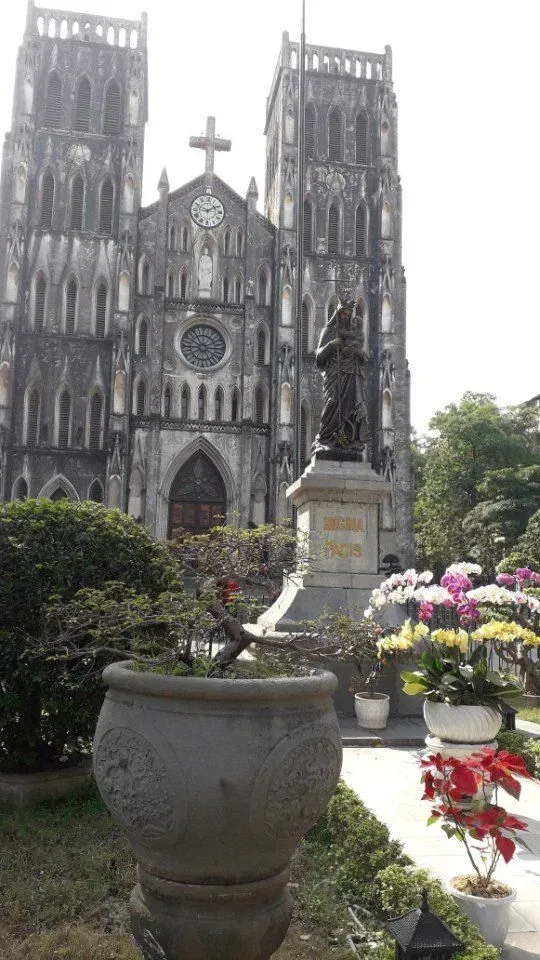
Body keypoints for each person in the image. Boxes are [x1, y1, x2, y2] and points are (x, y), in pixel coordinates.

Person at [312, 294, 370, 457]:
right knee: (333, 402)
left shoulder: (352, 334)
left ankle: (345, 440)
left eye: (348, 314)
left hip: (350, 375)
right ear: (338, 313)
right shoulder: (329, 331)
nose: (345, 316)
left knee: (350, 408)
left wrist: (359, 354)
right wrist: (331, 345)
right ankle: (324, 438)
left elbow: (363, 358)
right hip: (333, 375)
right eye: (343, 313)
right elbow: (319, 357)